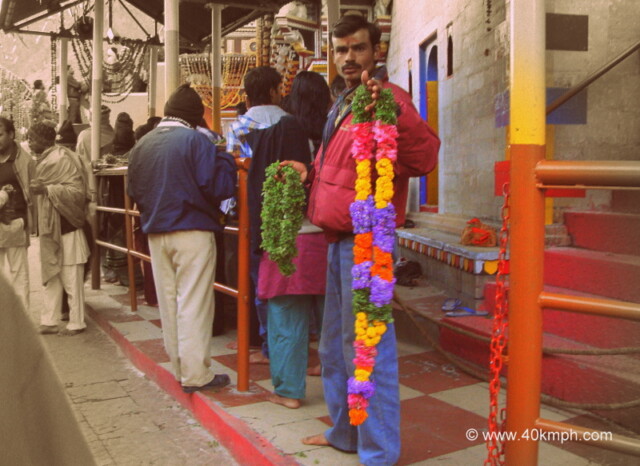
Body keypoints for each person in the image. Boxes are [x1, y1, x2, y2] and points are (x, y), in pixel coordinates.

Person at [291, 15, 441, 465]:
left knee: (367, 348)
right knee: (336, 345)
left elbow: (424, 156)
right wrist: (308, 175)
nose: (348, 58)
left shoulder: (387, 98)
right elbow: (343, 167)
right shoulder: (344, 103)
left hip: (369, 241)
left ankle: (378, 453)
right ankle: (346, 435)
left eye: (357, 49)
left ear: (377, 51)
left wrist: (392, 112)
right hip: (337, 238)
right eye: (340, 51)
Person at [127, 84, 236, 394]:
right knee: (194, 303)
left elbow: (133, 191)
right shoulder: (195, 141)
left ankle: (179, 367)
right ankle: (196, 375)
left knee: (170, 302)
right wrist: (225, 157)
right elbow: (219, 187)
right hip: (193, 230)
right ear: (194, 116)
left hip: (156, 232)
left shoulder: (143, 145)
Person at [253, 71, 332, 409]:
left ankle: (289, 392)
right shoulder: (335, 131)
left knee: (286, 315)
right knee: (334, 318)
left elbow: (268, 184)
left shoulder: (283, 129)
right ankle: (335, 383)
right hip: (332, 234)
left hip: (291, 236)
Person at [226, 66, 289, 364]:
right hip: (288, 213)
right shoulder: (291, 123)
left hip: (252, 217)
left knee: (258, 280)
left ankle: (267, 345)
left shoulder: (238, 127)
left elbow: (235, 177)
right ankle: (294, 343)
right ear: (275, 90)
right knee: (288, 281)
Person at [29, 122, 91, 336]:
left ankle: (76, 321)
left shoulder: (61, 159)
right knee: (52, 274)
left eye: (32, 138)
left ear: (45, 140)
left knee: (71, 277)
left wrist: (47, 188)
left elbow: (77, 192)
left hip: (68, 225)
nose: (29, 142)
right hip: (50, 226)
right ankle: (49, 320)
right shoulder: (44, 160)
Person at [0, 117, 34, 311]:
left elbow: (31, 192)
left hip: (15, 224)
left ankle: (24, 325)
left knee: (19, 276)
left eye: (0, 134)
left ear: (11, 135)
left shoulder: (23, 160)